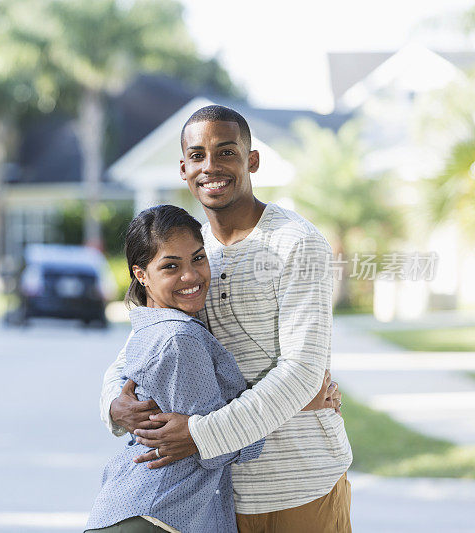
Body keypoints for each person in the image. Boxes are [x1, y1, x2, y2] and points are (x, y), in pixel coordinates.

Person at [100, 105, 353, 532]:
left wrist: (199, 434)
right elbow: (142, 346)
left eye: (226, 152)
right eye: (197, 155)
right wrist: (112, 404)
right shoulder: (190, 251)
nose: (211, 166)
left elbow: (301, 372)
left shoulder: (297, 243)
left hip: (301, 482)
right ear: (183, 168)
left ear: (251, 160)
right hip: (220, 497)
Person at [85, 204, 265, 533]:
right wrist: (295, 405)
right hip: (155, 519)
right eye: (171, 266)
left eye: (198, 258)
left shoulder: (154, 327)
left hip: (137, 512)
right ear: (141, 275)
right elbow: (215, 444)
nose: (191, 276)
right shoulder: (179, 340)